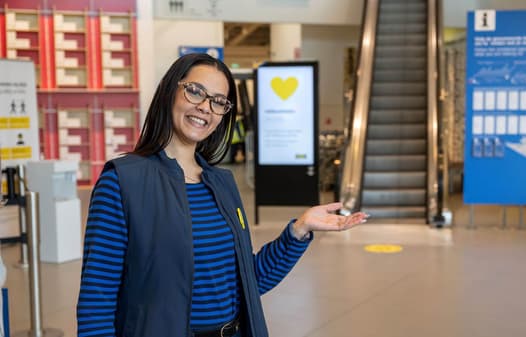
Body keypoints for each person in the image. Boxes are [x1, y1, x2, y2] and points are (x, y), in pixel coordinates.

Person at [76, 53, 368, 337]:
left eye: (218, 102)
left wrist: (298, 230)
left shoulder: (221, 183)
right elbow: (96, 301)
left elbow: (246, 280)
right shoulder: (123, 181)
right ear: (169, 91)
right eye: (195, 92)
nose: (205, 107)